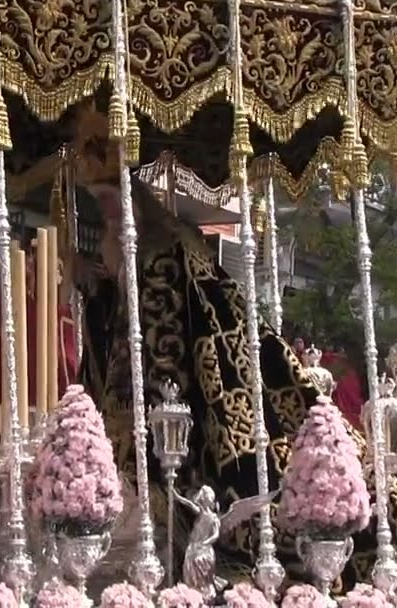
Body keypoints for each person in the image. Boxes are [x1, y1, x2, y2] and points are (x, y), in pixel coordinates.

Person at [67, 103, 343, 571]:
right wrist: (95, 288)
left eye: (112, 207)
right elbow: (116, 332)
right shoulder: (136, 262)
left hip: (184, 411)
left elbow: (175, 340)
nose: (108, 220)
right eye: (101, 209)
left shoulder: (168, 254)